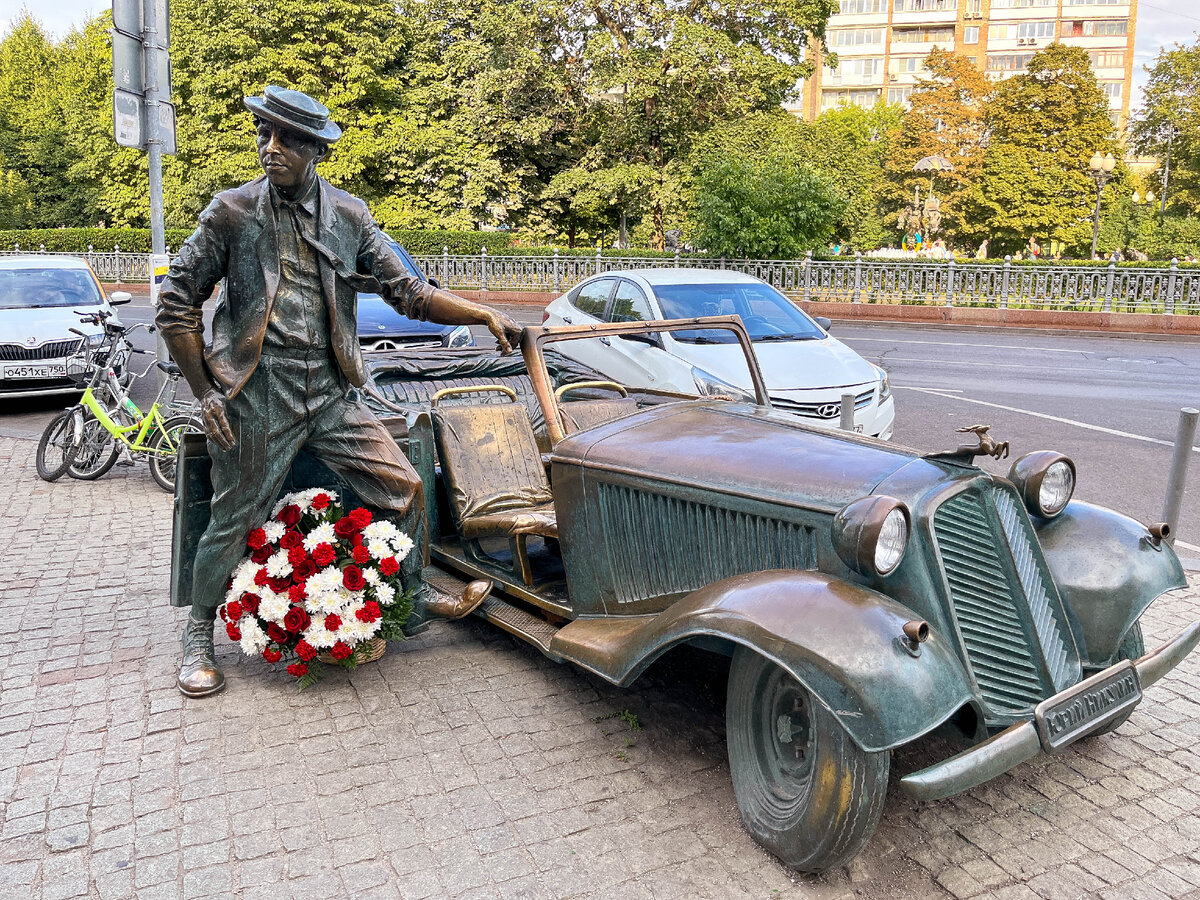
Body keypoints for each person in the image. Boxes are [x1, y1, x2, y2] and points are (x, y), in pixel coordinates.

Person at [157, 86, 522, 697]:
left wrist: (479, 312)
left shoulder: (349, 216)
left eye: (288, 139)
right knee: (233, 515)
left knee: (403, 486)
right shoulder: (232, 212)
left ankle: (413, 588)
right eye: (265, 135)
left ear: (316, 150)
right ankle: (199, 630)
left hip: (329, 390)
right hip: (257, 390)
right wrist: (207, 394)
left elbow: (408, 290)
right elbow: (174, 306)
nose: (271, 149)